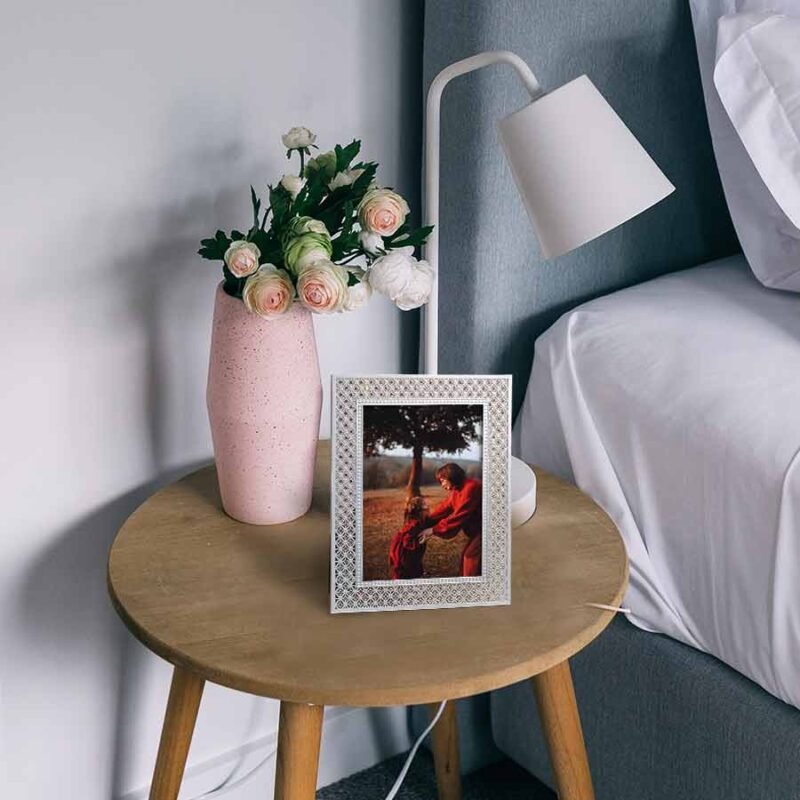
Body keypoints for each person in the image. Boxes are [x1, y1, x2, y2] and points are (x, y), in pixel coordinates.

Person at [420, 463, 482, 577]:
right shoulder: (456, 490)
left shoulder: (471, 487)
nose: (442, 485)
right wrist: (426, 521)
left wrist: (433, 530)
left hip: (488, 529)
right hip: (478, 530)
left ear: (451, 476)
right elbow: (444, 508)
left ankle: (471, 588)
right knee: (468, 556)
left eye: (443, 480)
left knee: (470, 556)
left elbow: (459, 516)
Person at [388, 496, 429, 580]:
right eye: (426, 507)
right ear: (420, 512)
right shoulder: (415, 525)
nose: (428, 509)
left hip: (408, 556)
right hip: (406, 557)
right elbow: (407, 541)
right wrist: (420, 541)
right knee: (406, 575)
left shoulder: (414, 522)